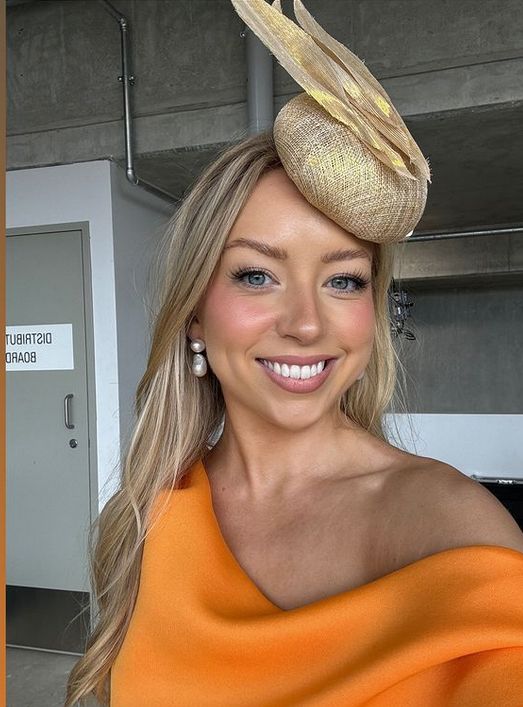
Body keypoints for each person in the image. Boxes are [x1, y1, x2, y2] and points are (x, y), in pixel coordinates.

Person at [65, 1, 523, 705]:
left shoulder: (450, 526)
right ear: (194, 311)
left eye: (344, 280)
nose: (307, 324)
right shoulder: (149, 515)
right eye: (257, 275)